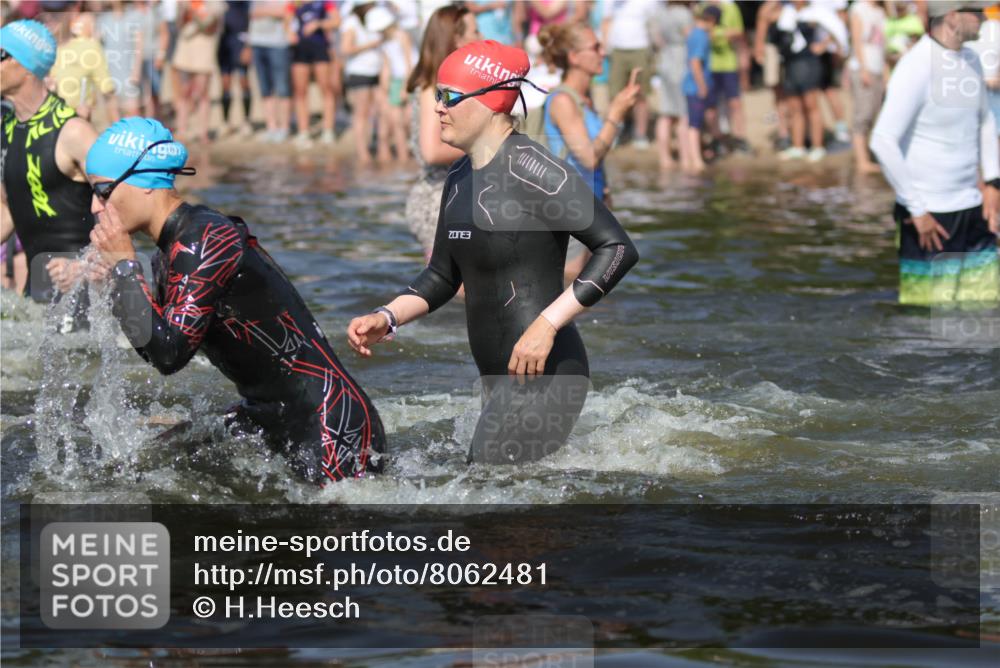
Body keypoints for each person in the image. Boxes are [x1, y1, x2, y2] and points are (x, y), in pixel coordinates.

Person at [347, 40, 638, 465]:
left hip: (548, 373)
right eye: (438, 95)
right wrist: (387, 317)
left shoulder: (534, 168)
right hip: (500, 379)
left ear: (490, 101)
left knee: (481, 489)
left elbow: (617, 248)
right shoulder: (459, 174)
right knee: (485, 489)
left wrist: (547, 325)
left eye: (450, 96)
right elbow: (442, 276)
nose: (438, 107)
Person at [86, 117, 386, 483]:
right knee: (141, 467)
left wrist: (124, 269)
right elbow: (155, 349)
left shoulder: (205, 239)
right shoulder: (168, 254)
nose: (95, 207)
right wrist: (119, 284)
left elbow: (169, 355)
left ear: (145, 182)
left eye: (103, 191)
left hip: (329, 426)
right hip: (267, 414)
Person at [870, 1, 999, 307]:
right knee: (925, 317)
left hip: (974, 207)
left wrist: (994, 182)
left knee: (985, 307)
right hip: (930, 218)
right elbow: (882, 141)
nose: (984, 18)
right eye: (976, 12)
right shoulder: (916, 66)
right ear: (952, 17)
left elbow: (985, 121)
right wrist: (917, 209)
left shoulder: (972, 59)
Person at [1, 19, 99, 305]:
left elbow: (122, 209)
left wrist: (83, 266)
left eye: (1, 55)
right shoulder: (5, 130)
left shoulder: (74, 132)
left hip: (85, 293)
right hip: (36, 293)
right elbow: (8, 209)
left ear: (27, 66)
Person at [404, 4, 479, 260]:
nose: (481, 38)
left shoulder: (449, 86)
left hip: (453, 194)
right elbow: (432, 152)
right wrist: (483, 143)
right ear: (456, 39)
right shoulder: (432, 88)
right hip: (437, 199)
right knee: (447, 282)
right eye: (475, 31)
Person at [772, 0, 827, 162]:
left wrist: (824, 44)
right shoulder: (785, 12)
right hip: (790, 64)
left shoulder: (814, 12)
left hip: (808, 63)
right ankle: (798, 146)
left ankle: (818, 146)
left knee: (811, 105)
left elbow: (837, 26)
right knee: (794, 107)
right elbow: (765, 16)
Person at [602, 0, 655, 148]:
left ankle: (640, 134)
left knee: (641, 94)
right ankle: (613, 134)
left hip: (640, 48)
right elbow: (606, 21)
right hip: (617, 50)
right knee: (614, 94)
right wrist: (604, 47)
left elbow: (654, 21)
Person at [49, 11, 119, 121]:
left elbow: (107, 92)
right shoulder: (90, 47)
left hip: (71, 119)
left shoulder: (89, 47)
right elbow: (108, 92)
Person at [172, 0, 225, 144]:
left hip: (204, 51)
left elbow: (209, 26)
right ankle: (182, 131)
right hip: (185, 51)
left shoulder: (215, 4)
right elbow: (179, 25)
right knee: (183, 92)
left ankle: (203, 133)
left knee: (203, 93)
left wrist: (192, 13)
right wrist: (184, 11)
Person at [651, 0, 694, 171]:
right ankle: (685, 158)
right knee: (684, 114)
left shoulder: (661, 13)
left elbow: (657, 40)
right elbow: (690, 37)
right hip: (680, 62)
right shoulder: (683, 13)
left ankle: (665, 158)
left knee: (666, 113)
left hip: (665, 60)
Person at [289, 0, 338, 147]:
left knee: (326, 88)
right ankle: (303, 132)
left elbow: (336, 21)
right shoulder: (294, 2)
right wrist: (290, 33)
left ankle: (328, 130)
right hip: (300, 50)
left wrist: (319, 24)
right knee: (300, 91)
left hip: (320, 48)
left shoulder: (324, 2)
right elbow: (287, 22)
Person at [368, 6, 414, 164]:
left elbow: (409, 62)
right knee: (396, 123)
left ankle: (411, 154)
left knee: (409, 120)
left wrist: (406, 86)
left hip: (409, 79)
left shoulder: (402, 36)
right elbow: (386, 66)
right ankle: (403, 158)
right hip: (395, 81)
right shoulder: (383, 42)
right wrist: (384, 88)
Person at [705, 0, 751, 155]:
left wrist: (716, 32)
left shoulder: (731, 8)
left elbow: (739, 33)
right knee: (711, 105)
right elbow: (699, 32)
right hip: (709, 66)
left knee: (735, 103)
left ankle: (740, 138)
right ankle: (716, 139)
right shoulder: (702, 7)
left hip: (729, 65)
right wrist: (724, 33)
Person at [340, 1, 384, 163]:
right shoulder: (351, 22)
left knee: (378, 110)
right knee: (361, 113)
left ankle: (374, 146)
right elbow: (345, 49)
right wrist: (370, 45)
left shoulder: (372, 19)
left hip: (376, 71)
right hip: (359, 72)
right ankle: (362, 152)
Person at [848, 0, 887, 174]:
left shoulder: (880, 11)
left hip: (878, 68)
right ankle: (862, 161)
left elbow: (883, 45)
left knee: (875, 114)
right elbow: (856, 41)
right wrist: (864, 69)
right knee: (863, 115)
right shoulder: (858, 8)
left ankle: (869, 156)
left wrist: (885, 72)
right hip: (863, 68)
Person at [682, 4, 720, 173]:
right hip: (695, 86)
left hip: (693, 85)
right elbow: (695, 62)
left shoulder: (694, 33)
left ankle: (694, 157)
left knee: (696, 121)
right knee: (694, 124)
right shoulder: (700, 36)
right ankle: (696, 160)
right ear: (712, 20)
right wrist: (702, 85)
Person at [248, 0, 292, 143]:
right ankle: (271, 127)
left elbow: (286, 12)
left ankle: (284, 128)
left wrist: (263, 11)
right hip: (257, 43)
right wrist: (272, 11)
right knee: (265, 89)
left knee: (282, 88)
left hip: (278, 44)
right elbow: (251, 12)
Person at [97, 0, 145, 120]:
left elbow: (139, 47)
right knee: (114, 117)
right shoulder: (103, 19)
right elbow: (96, 46)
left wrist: (136, 71)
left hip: (128, 72)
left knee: (133, 115)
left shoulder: (135, 16)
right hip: (109, 73)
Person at [217, 0, 253, 137]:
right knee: (225, 83)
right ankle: (226, 122)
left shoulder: (245, 3)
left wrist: (248, 46)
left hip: (240, 43)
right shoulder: (222, 3)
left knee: (244, 81)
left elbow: (251, 22)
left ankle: (246, 121)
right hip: (224, 44)